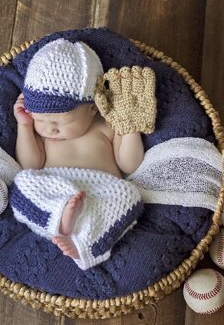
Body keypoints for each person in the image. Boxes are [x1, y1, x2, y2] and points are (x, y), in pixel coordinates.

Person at [10, 38, 157, 269]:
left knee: (130, 197)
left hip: (101, 195)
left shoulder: (107, 125)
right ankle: (61, 220)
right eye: (40, 120)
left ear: (92, 108)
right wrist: (25, 126)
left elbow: (129, 164)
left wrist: (129, 128)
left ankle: (85, 246)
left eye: (60, 121)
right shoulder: (43, 134)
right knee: (22, 182)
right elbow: (30, 164)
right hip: (55, 191)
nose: (50, 129)